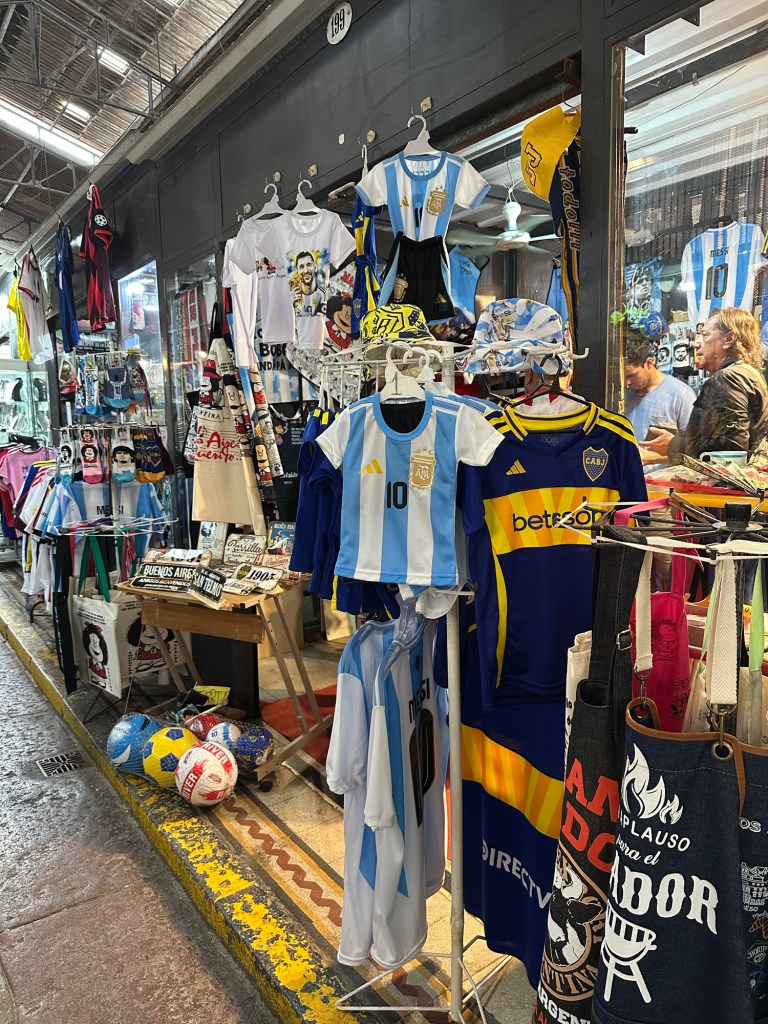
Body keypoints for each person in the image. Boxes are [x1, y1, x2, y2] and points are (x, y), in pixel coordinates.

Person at [642, 308, 768, 461]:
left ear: (729, 339)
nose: (696, 343)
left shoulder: (728, 378)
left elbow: (731, 449)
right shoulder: (748, 373)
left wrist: (674, 444)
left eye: (705, 335)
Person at [623, 332, 695, 468]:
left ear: (649, 363)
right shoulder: (624, 394)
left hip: (662, 480)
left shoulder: (681, 395)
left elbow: (694, 451)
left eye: (632, 375)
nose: (627, 383)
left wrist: (652, 459)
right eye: (624, 377)